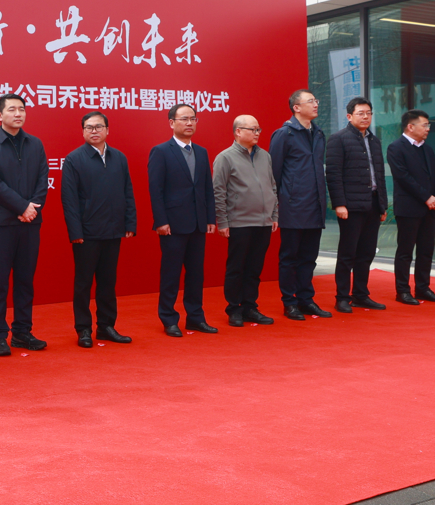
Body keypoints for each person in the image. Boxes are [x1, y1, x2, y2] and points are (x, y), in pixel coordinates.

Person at [0, 93, 50, 356]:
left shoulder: (35, 144)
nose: (18, 114)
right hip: (2, 224)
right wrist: (22, 207)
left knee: (25, 280)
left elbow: (43, 178)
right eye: (12, 109)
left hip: (30, 223)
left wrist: (31, 208)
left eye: (22, 109)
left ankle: (22, 331)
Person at [60, 110, 137, 348]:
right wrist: (75, 232)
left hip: (114, 230)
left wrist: (130, 223)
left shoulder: (119, 157)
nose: (94, 131)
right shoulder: (74, 159)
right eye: (89, 127)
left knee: (108, 282)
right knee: (83, 283)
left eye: (99, 127)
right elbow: (69, 200)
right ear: (83, 131)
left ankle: (106, 326)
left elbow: (127, 192)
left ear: (107, 130)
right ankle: (83, 329)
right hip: (87, 233)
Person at [147, 103, 218, 336]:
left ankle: (195, 317)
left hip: (198, 223)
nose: (189, 123)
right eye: (184, 119)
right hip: (173, 224)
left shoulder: (202, 151)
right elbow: (155, 190)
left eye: (193, 119)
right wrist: (161, 221)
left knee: (196, 274)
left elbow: (207, 188)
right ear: (171, 123)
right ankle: (168, 318)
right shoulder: (161, 151)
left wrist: (210, 217)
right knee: (171, 274)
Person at [270, 89, 331, 321]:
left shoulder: (319, 133)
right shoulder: (284, 134)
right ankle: (289, 302)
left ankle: (306, 300)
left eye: (316, 100)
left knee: (309, 258)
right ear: (296, 107)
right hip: (292, 207)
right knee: (289, 258)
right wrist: (277, 206)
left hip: (315, 206)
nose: (316, 104)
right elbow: (273, 174)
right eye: (310, 101)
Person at [212, 115, 278, 328]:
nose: (257, 133)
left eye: (258, 129)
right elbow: (218, 191)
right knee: (236, 268)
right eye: (252, 129)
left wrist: (274, 215)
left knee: (254, 269)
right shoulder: (225, 157)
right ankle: (234, 309)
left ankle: (250, 307)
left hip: (263, 222)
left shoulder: (265, 156)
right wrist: (223, 221)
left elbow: (272, 186)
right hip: (239, 222)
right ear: (238, 131)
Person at [325, 96, 389, 313]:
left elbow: (379, 175)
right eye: (360, 113)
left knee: (367, 252)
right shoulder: (338, 139)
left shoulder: (374, 141)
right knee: (347, 253)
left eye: (368, 113)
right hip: (351, 206)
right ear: (349, 116)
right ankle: (342, 297)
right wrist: (339, 204)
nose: (365, 117)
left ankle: (361, 295)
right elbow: (333, 174)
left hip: (373, 204)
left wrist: (383, 205)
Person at [387, 109, 435, 305]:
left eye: (428, 125)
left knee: (426, 250)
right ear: (410, 127)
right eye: (425, 125)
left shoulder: (427, 149)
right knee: (405, 252)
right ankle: (403, 291)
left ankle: (423, 288)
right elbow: (403, 178)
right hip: (408, 208)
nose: (428, 129)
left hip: (429, 209)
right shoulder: (396, 148)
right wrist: (426, 197)